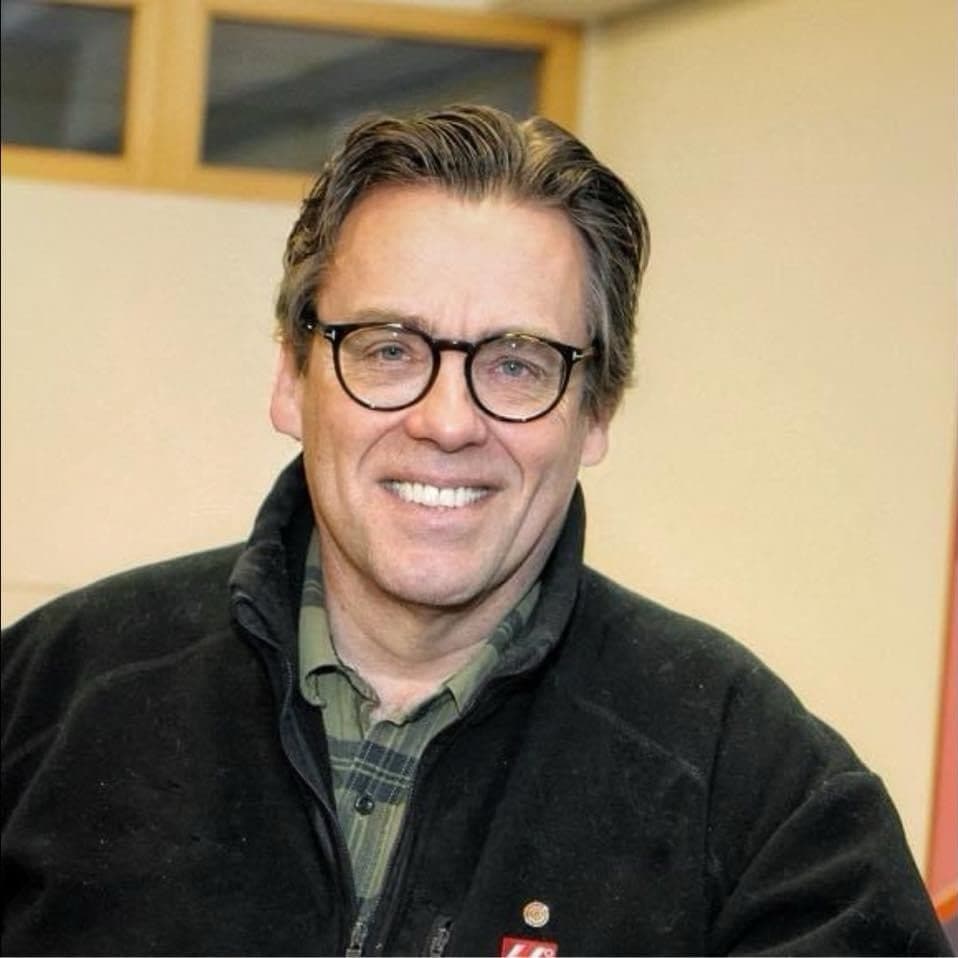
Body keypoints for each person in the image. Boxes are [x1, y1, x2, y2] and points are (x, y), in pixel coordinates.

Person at [1, 105, 950, 957]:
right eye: (388, 349)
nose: (448, 422)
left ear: (597, 410)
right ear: (291, 378)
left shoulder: (754, 783)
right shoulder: (52, 697)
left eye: (517, 364)